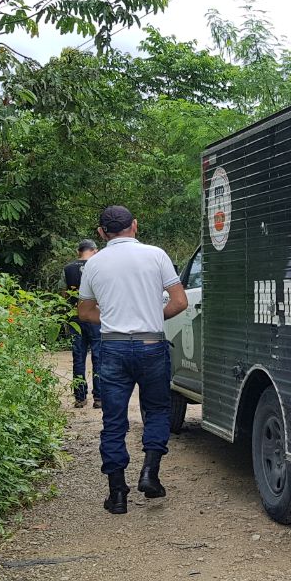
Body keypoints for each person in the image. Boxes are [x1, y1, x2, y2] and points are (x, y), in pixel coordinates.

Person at [77, 206, 189, 515]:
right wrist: (152, 316)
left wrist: (112, 316)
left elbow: (85, 313)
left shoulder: (94, 264)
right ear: (135, 226)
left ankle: (117, 495)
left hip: (112, 348)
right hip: (152, 345)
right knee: (156, 410)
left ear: (102, 233)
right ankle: (150, 473)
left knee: (113, 421)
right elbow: (180, 301)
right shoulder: (156, 255)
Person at [62, 239, 102, 409]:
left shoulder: (68, 269)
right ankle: (99, 398)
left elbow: (63, 294)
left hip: (75, 318)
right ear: (93, 250)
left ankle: (80, 398)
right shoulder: (99, 267)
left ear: (78, 251)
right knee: (99, 357)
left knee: (78, 357)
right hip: (95, 317)